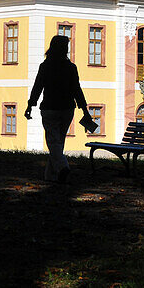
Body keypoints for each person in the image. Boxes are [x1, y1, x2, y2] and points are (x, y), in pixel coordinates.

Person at [24, 35, 94, 183]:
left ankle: (63, 168)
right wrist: (84, 110)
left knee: (53, 141)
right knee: (58, 142)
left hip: (49, 108)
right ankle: (51, 176)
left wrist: (30, 105)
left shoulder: (45, 66)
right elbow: (77, 90)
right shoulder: (71, 67)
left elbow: (38, 87)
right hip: (67, 109)